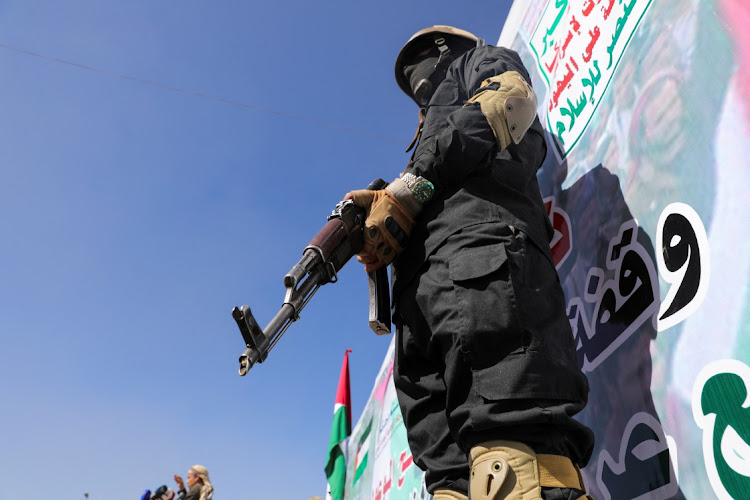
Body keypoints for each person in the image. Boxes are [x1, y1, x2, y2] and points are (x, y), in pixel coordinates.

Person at [346, 26, 595, 499]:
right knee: (450, 482)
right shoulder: (422, 138)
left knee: (514, 462)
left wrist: (410, 187)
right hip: (423, 309)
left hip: (483, 268)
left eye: (425, 51)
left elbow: (511, 100)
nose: (416, 66)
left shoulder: (478, 65)